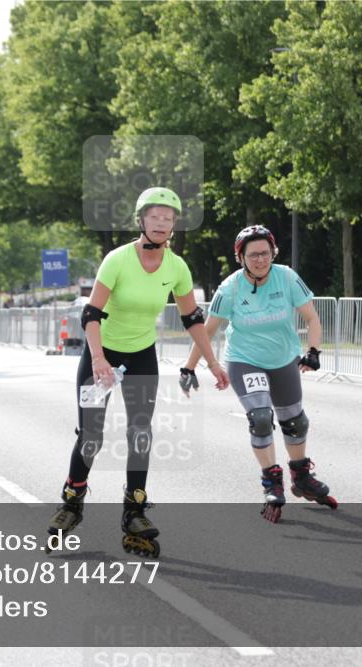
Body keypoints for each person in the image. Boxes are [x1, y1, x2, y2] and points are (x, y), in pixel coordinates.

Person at [46, 186, 229, 558]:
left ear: (174, 226)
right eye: (155, 217)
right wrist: (98, 359)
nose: (161, 223)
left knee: (141, 433)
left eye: (168, 218)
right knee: (92, 437)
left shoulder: (177, 267)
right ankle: (72, 501)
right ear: (142, 221)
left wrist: (211, 362)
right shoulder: (117, 259)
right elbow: (91, 315)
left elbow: (194, 319)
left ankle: (135, 511)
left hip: (142, 355)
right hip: (102, 352)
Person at [181, 225, 335, 523]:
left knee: (294, 420)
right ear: (241, 257)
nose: (261, 260)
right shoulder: (231, 288)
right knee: (262, 417)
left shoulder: (286, 277)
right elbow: (208, 331)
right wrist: (189, 367)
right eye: (253, 255)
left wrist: (313, 351)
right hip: (244, 360)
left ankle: (301, 475)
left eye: (265, 253)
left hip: (283, 359)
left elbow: (312, 317)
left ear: (273, 253)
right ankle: (271, 480)